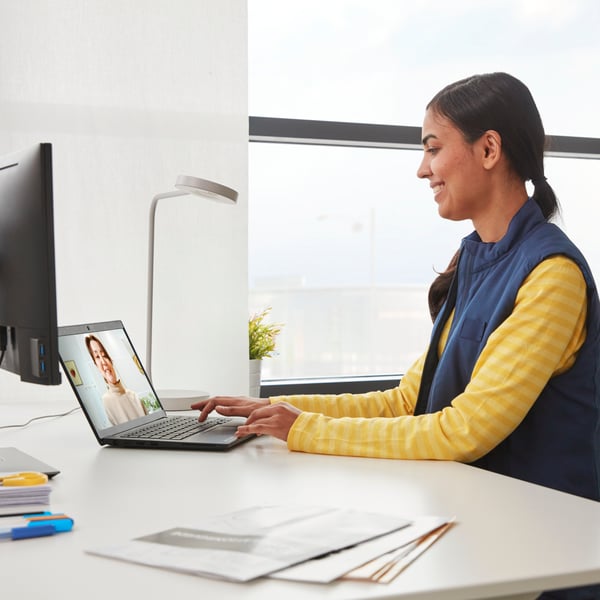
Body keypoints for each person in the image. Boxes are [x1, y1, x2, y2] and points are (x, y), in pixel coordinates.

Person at [192, 73, 600, 599]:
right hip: (481, 534)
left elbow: (464, 431)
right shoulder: (476, 260)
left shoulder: (552, 277)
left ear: (490, 148)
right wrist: (271, 411)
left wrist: (304, 429)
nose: (422, 168)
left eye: (433, 148)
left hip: (543, 558)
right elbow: (411, 400)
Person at [85, 334, 147, 426]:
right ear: (96, 365)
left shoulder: (133, 395)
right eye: (97, 357)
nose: (103, 362)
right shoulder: (106, 401)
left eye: (104, 355)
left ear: (111, 360)